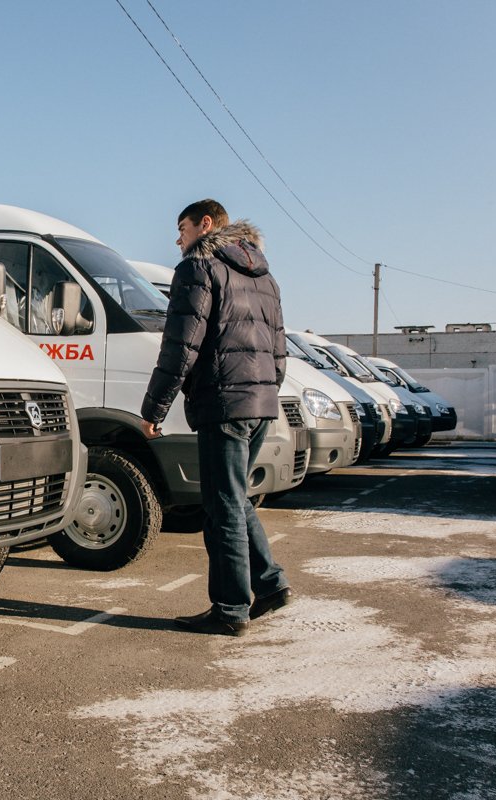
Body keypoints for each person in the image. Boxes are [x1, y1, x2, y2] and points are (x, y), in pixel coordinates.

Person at [140, 199, 291, 636]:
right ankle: (269, 584)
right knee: (236, 499)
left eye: (182, 227)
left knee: (223, 506)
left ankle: (229, 609)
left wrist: (154, 408)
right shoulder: (265, 277)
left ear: (206, 225)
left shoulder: (197, 267)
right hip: (260, 404)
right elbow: (279, 352)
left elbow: (180, 345)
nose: (178, 238)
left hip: (224, 404)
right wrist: (264, 392)